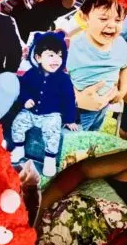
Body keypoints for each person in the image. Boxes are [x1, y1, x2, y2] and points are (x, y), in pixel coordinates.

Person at [9, 32, 77, 177]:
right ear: (38, 57)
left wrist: (70, 119)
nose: (56, 60)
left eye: (60, 56)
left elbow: (69, 99)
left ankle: (50, 158)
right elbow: (22, 88)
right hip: (31, 112)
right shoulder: (31, 74)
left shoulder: (64, 79)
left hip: (51, 114)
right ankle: (19, 148)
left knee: (53, 132)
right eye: (51, 55)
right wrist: (25, 99)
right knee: (18, 123)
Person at [66, 0, 127, 131]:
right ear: (84, 17)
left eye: (118, 20)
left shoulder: (120, 44)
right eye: (103, 19)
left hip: (102, 107)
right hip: (76, 109)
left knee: (92, 137)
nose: (112, 25)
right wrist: (75, 98)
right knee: (71, 140)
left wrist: (122, 91)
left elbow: (125, 67)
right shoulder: (75, 45)